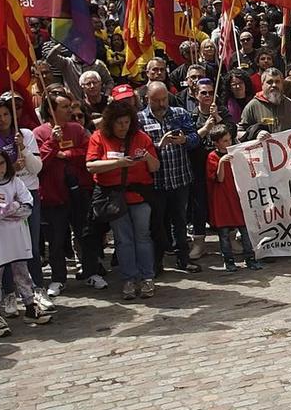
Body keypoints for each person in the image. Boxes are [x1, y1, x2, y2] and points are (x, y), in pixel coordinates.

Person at [88, 93, 160, 300]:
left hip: (139, 196)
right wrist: (118, 163)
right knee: (123, 240)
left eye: (127, 122)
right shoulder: (99, 137)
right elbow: (90, 165)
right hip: (114, 197)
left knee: (143, 237)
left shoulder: (141, 137)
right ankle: (129, 278)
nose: (123, 127)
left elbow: (155, 167)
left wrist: (146, 157)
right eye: (119, 123)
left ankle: (147, 277)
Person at [0, 149, 50, 338]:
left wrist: (6, 210)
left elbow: (28, 207)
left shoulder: (16, 182)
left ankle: (30, 306)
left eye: (1, 163)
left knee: (22, 273)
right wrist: (13, 206)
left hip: (18, 236)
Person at [37, 88, 102, 294]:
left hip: (79, 191)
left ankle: (92, 272)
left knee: (86, 234)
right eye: (64, 107)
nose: (69, 110)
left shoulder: (76, 129)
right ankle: (58, 278)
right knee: (56, 239)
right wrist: (52, 144)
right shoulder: (39, 133)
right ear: (51, 110)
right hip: (54, 195)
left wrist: (67, 153)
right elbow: (39, 164)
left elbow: (88, 153)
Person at [139, 82, 202, 274]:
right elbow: (138, 150)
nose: (161, 103)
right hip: (156, 181)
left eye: (164, 98)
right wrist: (159, 145)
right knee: (157, 224)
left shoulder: (179, 113)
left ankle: (184, 260)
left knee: (180, 222)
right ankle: (157, 264)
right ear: (147, 99)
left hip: (180, 177)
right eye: (156, 100)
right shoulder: (139, 119)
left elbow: (195, 138)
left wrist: (185, 140)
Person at [204, 124, 260, 272]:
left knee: (245, 230)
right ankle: (228, 261)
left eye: (230, 140)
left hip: (237, 198)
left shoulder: (236, 152)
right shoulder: (212, 157)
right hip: (222, 200)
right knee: (223, 234)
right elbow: (219, 179)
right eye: (225, 141)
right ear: (216, 143)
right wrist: (222, 162)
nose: (229, 143)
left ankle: (250, 259)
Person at [240, 66, 291, 139]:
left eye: (277, 82)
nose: (274, 85)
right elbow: (239, 133)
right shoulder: (252, 106)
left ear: (282, 84)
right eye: (269, 82)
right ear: (262, 84)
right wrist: (256, 134)